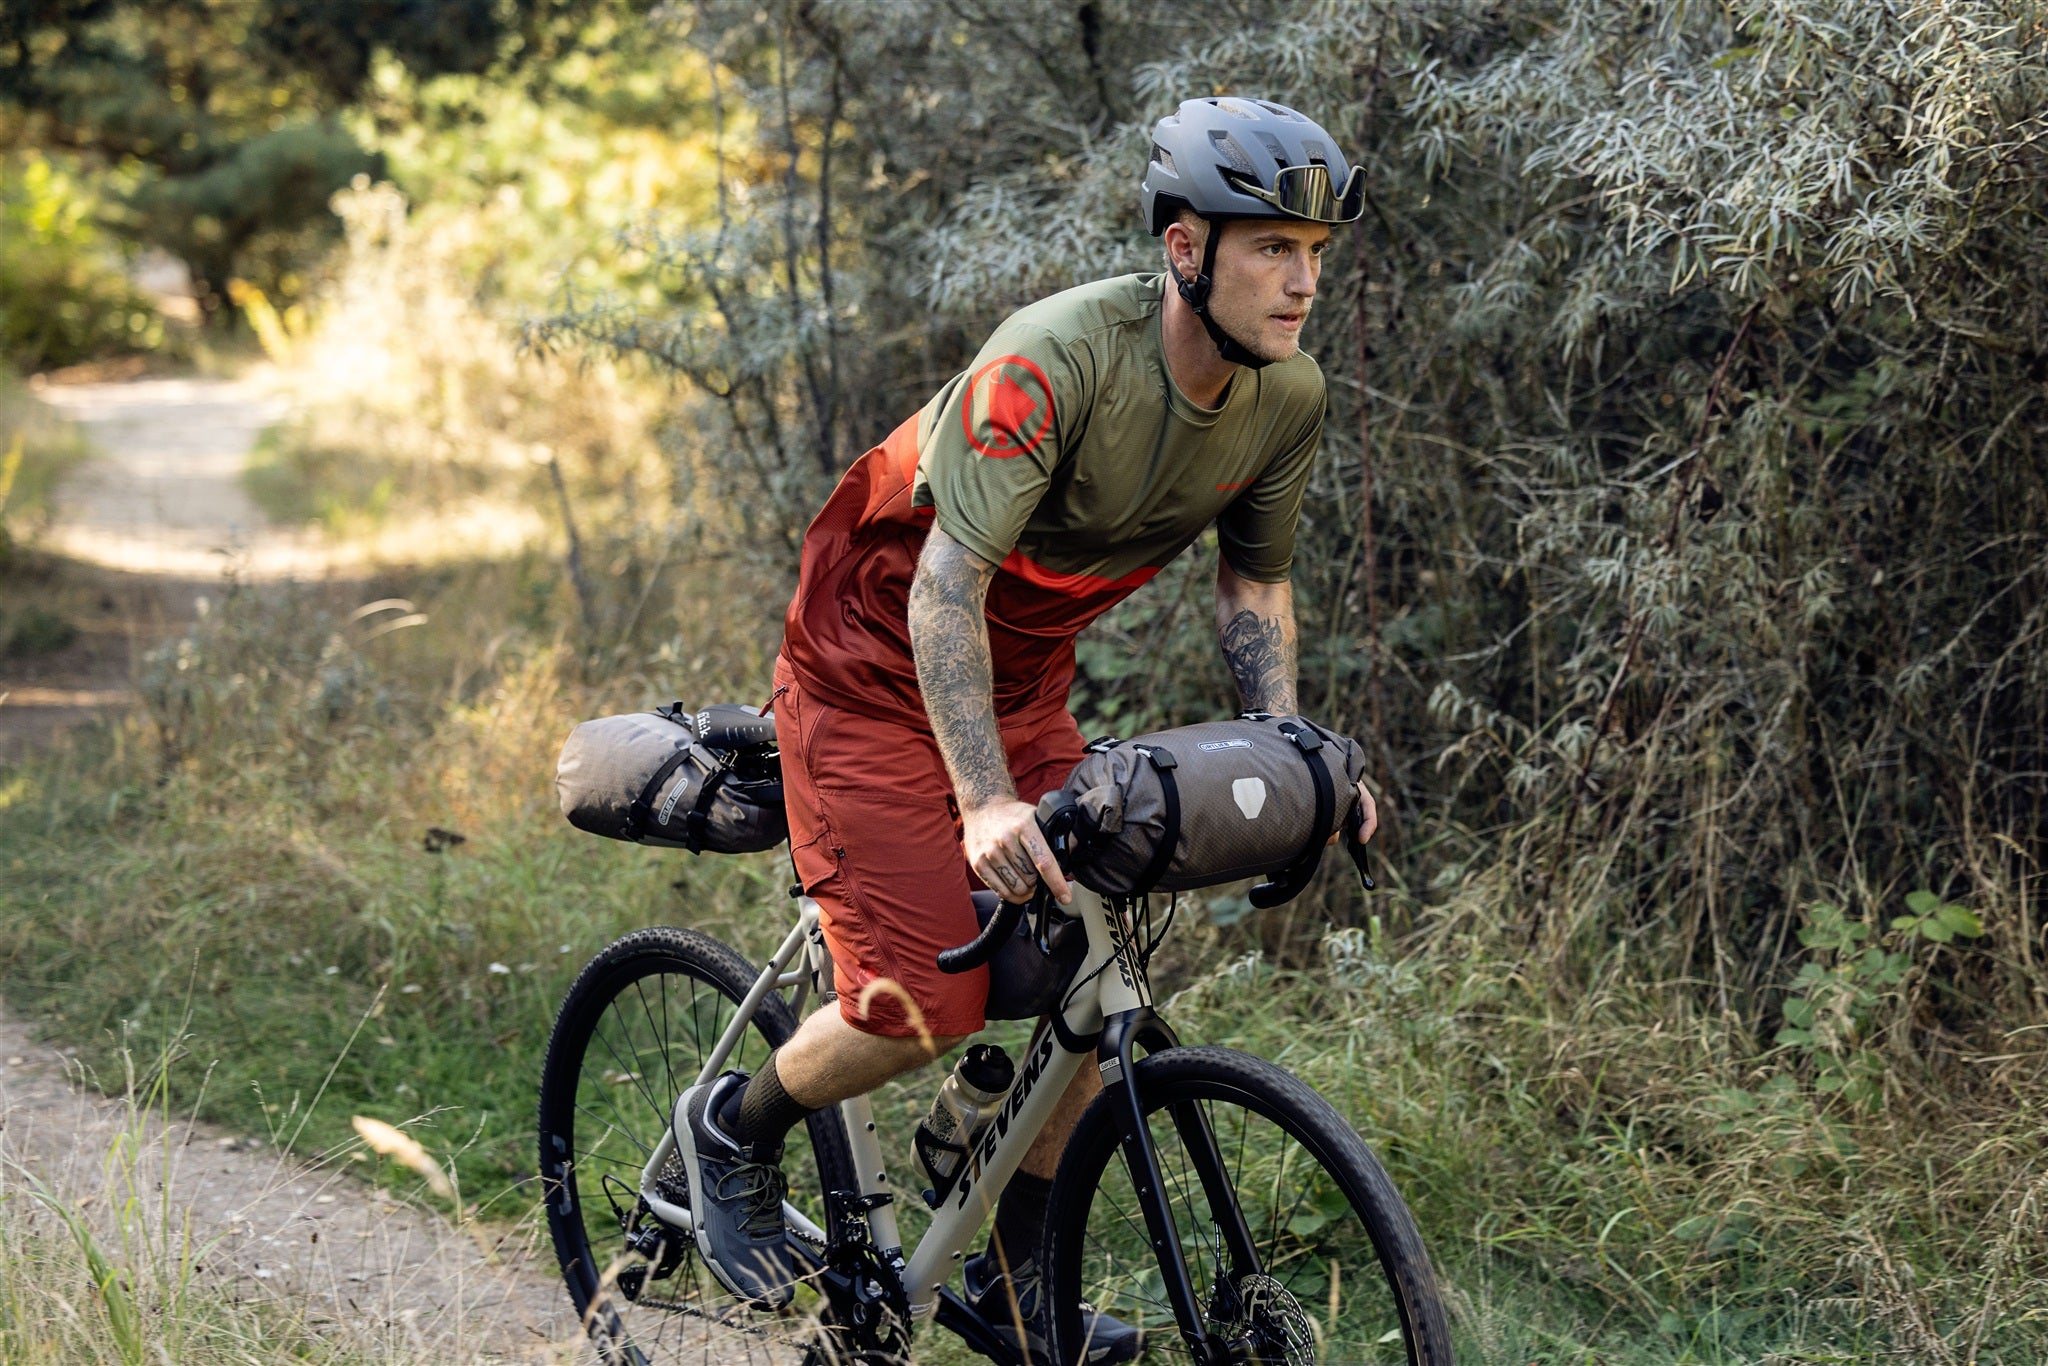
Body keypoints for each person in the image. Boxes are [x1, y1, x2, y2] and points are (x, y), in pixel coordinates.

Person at [673, 96, 1380, 1359]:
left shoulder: (1285, 397)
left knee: (1096, 956)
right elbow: (945, 586)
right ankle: (733, 1122)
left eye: (1316, 253)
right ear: (1183, 250)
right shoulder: (1050, 360)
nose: (1303, 279)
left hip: (1015, 679)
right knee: (917, 1001)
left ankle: (1001, 1274)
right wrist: (982, 799)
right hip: (864, 672)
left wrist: (1296, 753)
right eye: (1273, 246)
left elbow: (1251, 584)